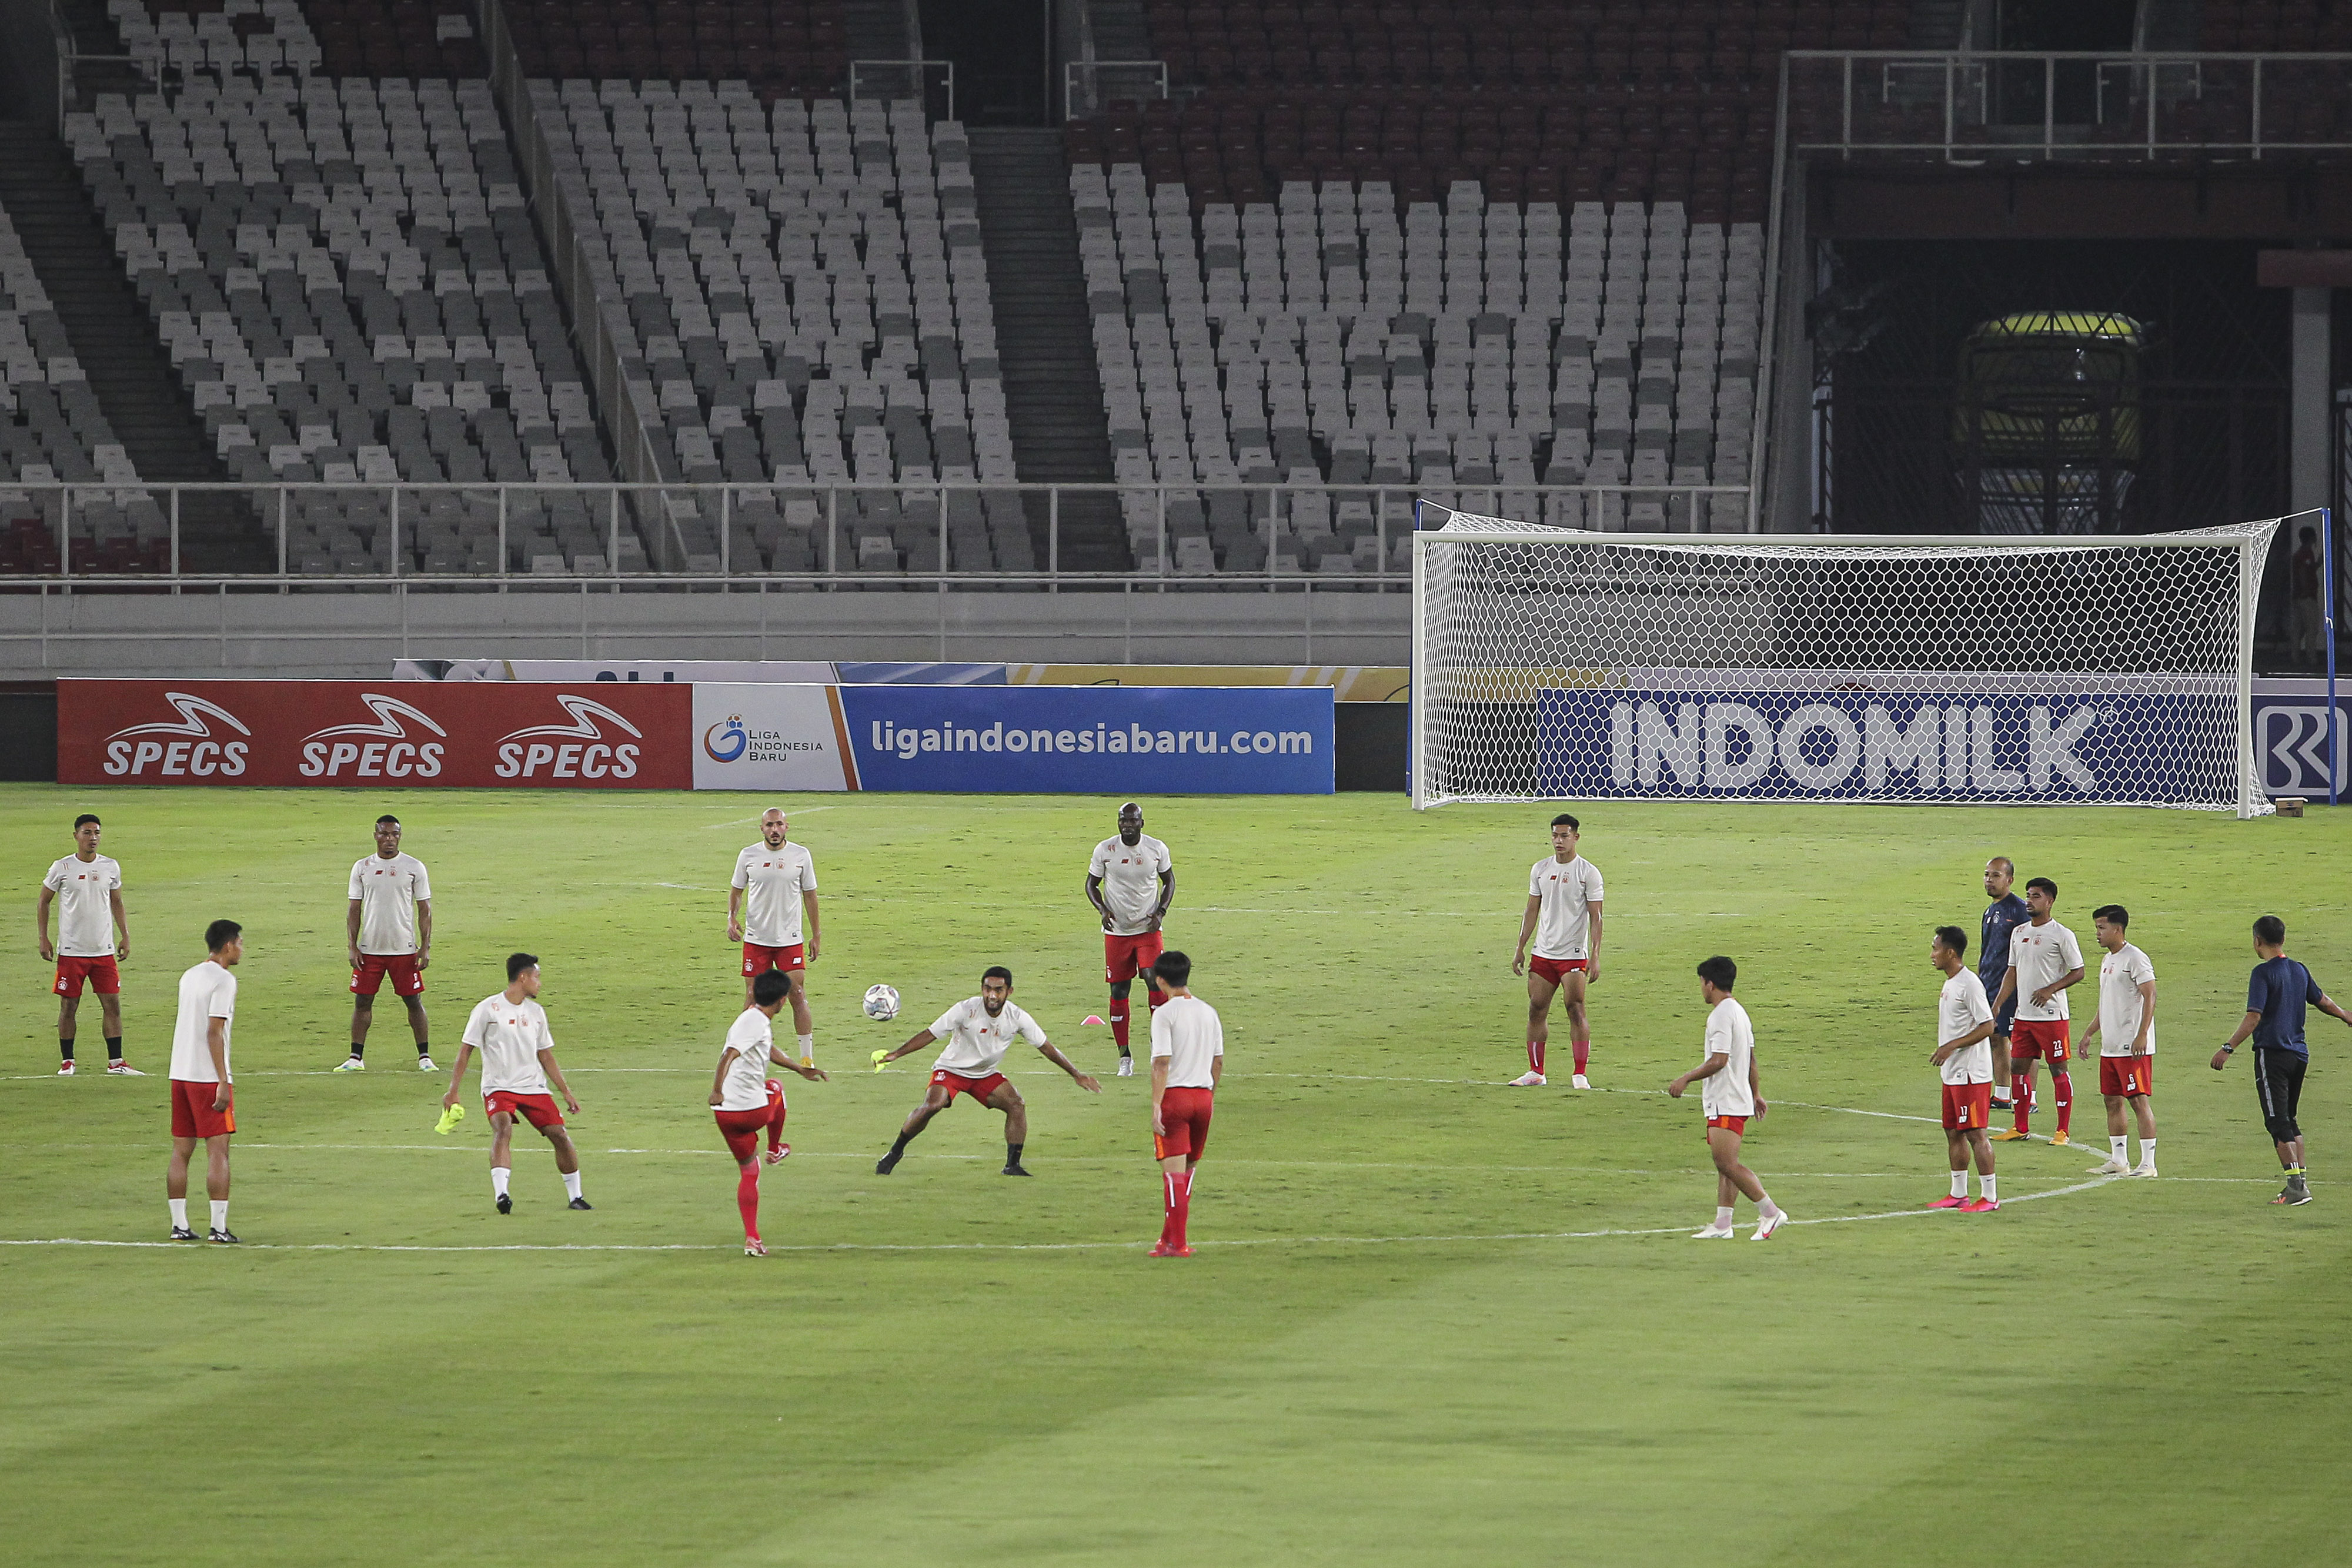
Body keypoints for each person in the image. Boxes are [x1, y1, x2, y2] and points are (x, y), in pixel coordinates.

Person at [871, 966, 1102, 1176]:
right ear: (982, 989)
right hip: (950, 1070)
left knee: (1016, 1105)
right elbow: (930, 1034)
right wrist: (896, 1054)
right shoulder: (965, 1009)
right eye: (988, 989)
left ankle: (1012, 1165)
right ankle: (895, 1152)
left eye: (998, 990)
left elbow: (1046, 1048)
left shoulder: (1017, 1017)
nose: (992, 995)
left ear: (1009, 991)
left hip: (984, 1074)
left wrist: (1076, 1074)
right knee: (933, 1104)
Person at [2211, 916, 2352, 1206]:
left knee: (2277, 1122)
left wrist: (2228, 1048)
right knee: (2289, 1119)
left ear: (2257, 941)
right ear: (2283, 940)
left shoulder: (2262, 973)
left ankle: (2296, 1188)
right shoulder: (2299, 970)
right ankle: (2301, 1183)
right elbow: (2322, 1000)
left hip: (2273, 1054)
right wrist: (2345, 1015)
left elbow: (2254, 1017)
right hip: (2299, 1055)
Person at [441, 953, 590, 1213]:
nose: (539, 983)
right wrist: (453, 1091)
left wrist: (566, 1092)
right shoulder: (487, 1009)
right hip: (498, 1087)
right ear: (523, 977)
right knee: (503, 1129)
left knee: (560, 1135)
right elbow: (466, 1050)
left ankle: (576, 1196)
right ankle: (502, 1195)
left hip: (533, 1087)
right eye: (537, 977)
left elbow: (545, 1055)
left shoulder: (537, 1013)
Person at [1666, 956, 1787, 1240]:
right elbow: (1751, 1059)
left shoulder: (1721, 1015)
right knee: (1727, 1166)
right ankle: (1723, 1224)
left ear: (1710, 984)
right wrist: (1755, 1093)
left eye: (1701, 983)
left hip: (1726, 1100)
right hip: (1737, 1098)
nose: (1701, 989)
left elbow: (1719, 1060)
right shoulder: (1739, 1012)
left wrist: (1686, 1079)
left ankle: (1771, 1212)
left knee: (1727, 1164)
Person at [711, 969, 828, 1256]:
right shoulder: (754, 1022)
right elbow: (728, 1054)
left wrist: (800, 1068)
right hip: (750, 1111)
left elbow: (767, 1048)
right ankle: (775, 1149)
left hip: (726, 1115)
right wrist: (716, 1089)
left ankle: (752, 1238)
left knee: (749, 1171)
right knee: (775, 1088)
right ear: (782, 1001)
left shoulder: (752, 1019)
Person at [38, 813, 137, 1075]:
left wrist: (125, 935)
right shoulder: (62, 867)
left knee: (112, 1005)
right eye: (87, 833)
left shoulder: (110, 866)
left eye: (97, 833)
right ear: (76, 836)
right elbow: (44, 901)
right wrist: (44, 938)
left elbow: (117, 901)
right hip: (72, 952)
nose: (93, 838)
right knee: (69, 1006)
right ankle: (67, 1061)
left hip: (103, 951)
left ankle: (116, 1062)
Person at [1510, 813, 1604, 1088]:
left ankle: (1580, 1074)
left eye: (1564, 836)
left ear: (1576, 837)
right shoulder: (1540, 869)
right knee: (1536, 1009)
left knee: (1575, 1008)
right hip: (1543, 953)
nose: (1559, 841)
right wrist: (1520, 947)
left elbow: (1597, 917)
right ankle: (1536, 1072)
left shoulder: (1588, 873)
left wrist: (1595, 955)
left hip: (1573, 954)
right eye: (1555, 835)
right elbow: (1531, 910)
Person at [333, 814, 433, 1071]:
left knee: (413, 1001)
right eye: (385, 834)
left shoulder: (414, 867)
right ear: (376, 836)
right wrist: (352, 946)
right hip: (370, 950)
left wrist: (425, 946)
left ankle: (424, 1058)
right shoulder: (362, 867)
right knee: (362, 1002)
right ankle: (355, 1058)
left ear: (400, 836)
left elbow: (425, 910)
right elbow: (354, 909)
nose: (390, 839)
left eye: (394, 834)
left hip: (404, 949)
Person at [167, 919, 243, 1242]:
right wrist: (222, 1081)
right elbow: (214, 1032)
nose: (241, 949)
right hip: (206, 1079)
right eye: (239, 943)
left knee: (181, 1151)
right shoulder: (224, 980)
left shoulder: (189, 975)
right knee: (218, 1152)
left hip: (180, 1073)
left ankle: (179, 1225)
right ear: (227, 946)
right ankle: (219, 1228)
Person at [1993, 877, 2084, 1144]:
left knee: (2058, 1070)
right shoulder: (2019, 932)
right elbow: (2012, 971)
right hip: (2024, 1016)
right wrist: (1998, 1004)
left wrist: (2050, 989)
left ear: (2050, 901)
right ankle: (2020, 1127)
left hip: (2052, 1016)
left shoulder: (2062, 934)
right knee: (2018, 1068)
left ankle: (2063, 1131)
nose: (2029, 901)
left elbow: (2078, 971)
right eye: (2028, 895)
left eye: (2036, 896)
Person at [727, 807, 821, 1065]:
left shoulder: (801, 855)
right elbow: (737, 891)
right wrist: (732, 918)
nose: (775, 830)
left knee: (797, 993)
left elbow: (810, 896)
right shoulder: (748, 855)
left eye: (779, 824)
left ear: (786, 827)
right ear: (762, 829)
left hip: (789, 940)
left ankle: (807, 1058)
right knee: (752, 996)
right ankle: (743, 1053)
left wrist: (816, 935)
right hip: (756, 939)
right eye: (769, 825)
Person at [1087, 801, 1174, 1077]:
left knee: (1154, 980)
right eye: (1123, 820)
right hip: (1117, 933)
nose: (1127, 825)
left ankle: (1158, 1047)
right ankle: (1124, 1056)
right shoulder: (1105, 850)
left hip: (1148, 930)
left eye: (1132, 820)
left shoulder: (1156, 849)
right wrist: (1102, 910)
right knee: (1119, 992)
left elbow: (1169, 881)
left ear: (1141, 823)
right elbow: (1091, 884)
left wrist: (1161, 912)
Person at [1146, 950, 1222, 1258]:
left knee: (1173, 1174)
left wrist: (1156, 1105)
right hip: (1204, 1098)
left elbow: (1162, 1062)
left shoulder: (1165, 1014)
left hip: (1176, 1099)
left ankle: (1178, 1243)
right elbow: (1218, 1062)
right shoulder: (1209, 1012)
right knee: (1188, 1170)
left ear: (1160, 980)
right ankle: (1168, 1239)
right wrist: (1210, 1096)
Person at [2082, 904, 2158, 1178]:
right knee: (2112, 1101)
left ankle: (2148, 1164)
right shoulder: (2108, 960)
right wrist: (2090, 1032)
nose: (2097, 934)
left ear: (2118, 929)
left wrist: (2142, 1034)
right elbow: (2107, 1003)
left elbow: (2150, 995)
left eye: (2101, 928)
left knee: (2138, 1101)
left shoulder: (2135, 958)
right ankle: (2119, 1160)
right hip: (2111, 1047)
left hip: (2132, 1047)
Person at [1927, 926, 2000, 1213]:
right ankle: (1959, 1193)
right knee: (1953, 1131)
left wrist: (1951, 1046)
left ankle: (1990, 1197)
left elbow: (1988, 1025)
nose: (1932, 955)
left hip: (1971, 1073)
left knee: (1975, 1133)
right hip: (1953, 1072)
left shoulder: (1969, 984)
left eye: (1935, 949)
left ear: (1950, 953)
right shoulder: (1951, 983)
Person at [1980, 857, 2029, 1112]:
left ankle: (2029, 1098)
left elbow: (2028, 949)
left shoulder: (2018, 910)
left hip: (2011, 986)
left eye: (1996, 876)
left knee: (2020, 1041)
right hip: (1989, 983)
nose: (1989, 880)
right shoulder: (1990, 911)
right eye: (1987, 875)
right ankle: (2002, 1094)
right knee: (1996, 1037)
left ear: (2010, 880)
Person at [2288, 524, 2325, 664]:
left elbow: (2308, 569)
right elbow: (2304, 572)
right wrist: (2306, 591)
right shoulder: (2305, 554)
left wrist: (2318, 563)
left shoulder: (2300, 554)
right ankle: (2311, 658)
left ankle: (2295, 657)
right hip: (2307, 596)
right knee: (2311, 628)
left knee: (2298, 628)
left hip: (2298, 596)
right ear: (2311, 538)